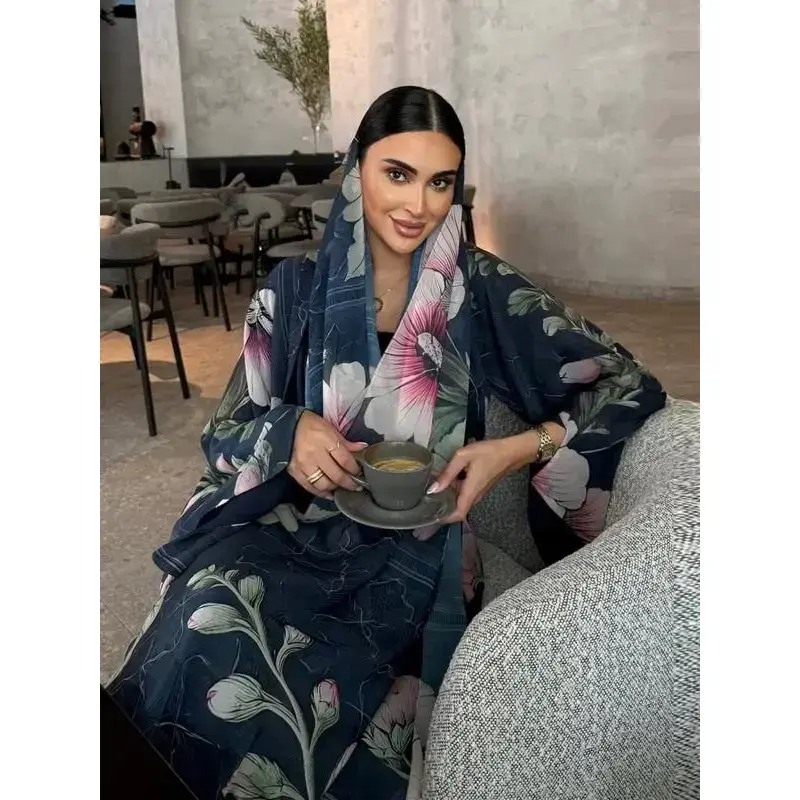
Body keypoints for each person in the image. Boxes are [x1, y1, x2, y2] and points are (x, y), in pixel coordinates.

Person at [108, 86, 666, 800]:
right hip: (289, 525)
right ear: (356, 171)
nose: (418, 204)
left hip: (416, 548)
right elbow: (227, 432)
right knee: (204, 613)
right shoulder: (292, 291)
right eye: (397, 174)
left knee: (303, 687)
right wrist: (289, 430)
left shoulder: (476, 287)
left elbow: (624, 379)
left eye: (440, 182)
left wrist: (516, 448)